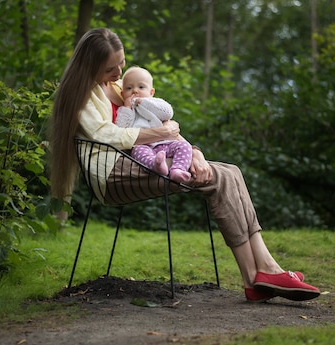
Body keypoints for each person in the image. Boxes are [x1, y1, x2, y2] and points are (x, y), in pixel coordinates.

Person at [50, 27, 321, 303]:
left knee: (232, 171)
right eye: (111, 69)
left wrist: (195, 153)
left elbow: (157, 123)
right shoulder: (82, 93)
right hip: (114, 174)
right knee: (220, 179)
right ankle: (259, 274)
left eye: (121, 63)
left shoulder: (117, 86)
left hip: (142, 161)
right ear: (90, 66)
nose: (119, 73)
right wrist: (163, 134)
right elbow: (106, 135)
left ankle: (262, 273)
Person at [115, 66, 192, 183]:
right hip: (144, 146)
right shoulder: (126, 110)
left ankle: (178, 170)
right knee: (137, 152)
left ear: (151, 92)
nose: (135, 91)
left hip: (165, 143)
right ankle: (156, 165)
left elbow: (167, 114)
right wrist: (127, 107)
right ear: (122, 93)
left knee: (184, 146)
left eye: (141, 87)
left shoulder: (156, 103)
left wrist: (144, 102)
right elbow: (121, 127)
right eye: (129, 88)